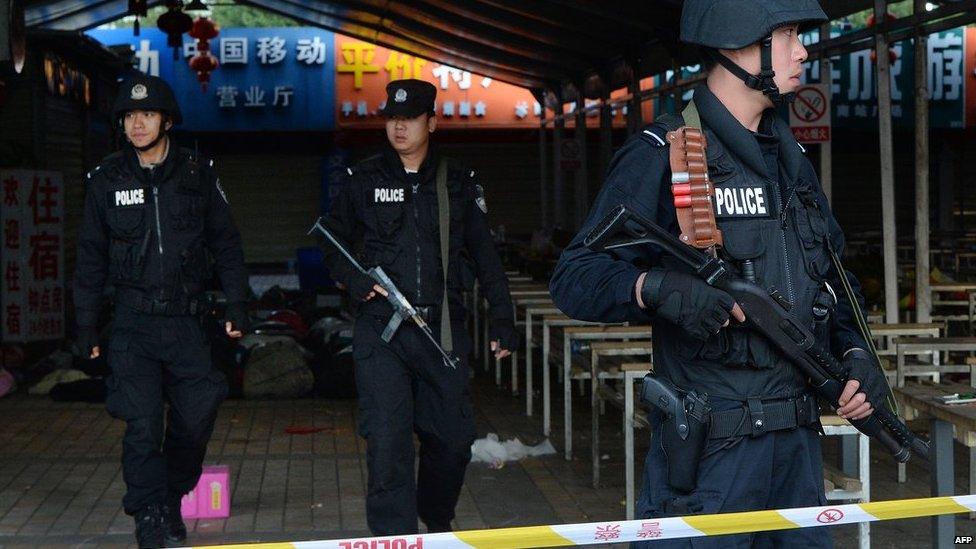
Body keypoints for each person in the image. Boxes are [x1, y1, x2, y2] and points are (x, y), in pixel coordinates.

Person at [549, 1, 891, 547]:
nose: (803, 51)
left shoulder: (790, 162)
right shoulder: (664, 153)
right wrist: (655, 288)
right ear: (738, 44)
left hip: (798, 450)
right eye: (788, 36)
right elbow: (575, 276)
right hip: (711, 456)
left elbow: (831, 279)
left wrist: (856, 353)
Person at [320, 78, 518, 535]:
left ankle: (437, 518)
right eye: (392, 118)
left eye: (409, 119)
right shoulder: (363, 180)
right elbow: (331, 241)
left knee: (451, 440)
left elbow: (486, 256)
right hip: (381, 331)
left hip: (441, 328)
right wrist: (355, 280)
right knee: (387, 441)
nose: (399, 128)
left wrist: (503, 319)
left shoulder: (458, 182)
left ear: (432, 122)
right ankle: (395, 537)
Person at [72, 74, 249, 548]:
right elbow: (89, 258)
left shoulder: (197, 174)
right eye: (129, 116)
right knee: (143, 423)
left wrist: (236, 302)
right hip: (132, 324)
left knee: (196, 416)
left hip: (188, 322)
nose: (138, 124)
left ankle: (171, 496)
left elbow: (226, 244)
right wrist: (85, 323)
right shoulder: (106, 181)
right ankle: (149, 515)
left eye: (147, 114)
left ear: (167, 120)